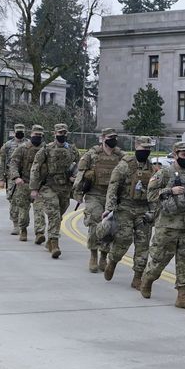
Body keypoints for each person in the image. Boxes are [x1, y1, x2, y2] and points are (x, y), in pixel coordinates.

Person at [140, 141, 185, 310]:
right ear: (175, 154)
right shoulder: (164, 173)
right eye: (183, 154)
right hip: (167, 226)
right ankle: (148, 279)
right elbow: (151, 195)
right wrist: (169, 191)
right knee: (160, 259)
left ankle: (183, 296)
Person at [103, 136, 156, 288]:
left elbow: (153, 191)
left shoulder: (150, 168)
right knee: (123, 239)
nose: (145, 151)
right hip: (125, 208)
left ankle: (138, 276)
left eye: (148, 149)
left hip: (143, 210)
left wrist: (153, 211)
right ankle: (112, 261)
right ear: (136, 146)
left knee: (143, 244)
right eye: (142, 148)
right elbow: (113, 186)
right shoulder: (125, 165)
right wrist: (109, 209)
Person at [75, 127, 124, 273]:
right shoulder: (92, 154)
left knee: (109, 226)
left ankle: (104, 255)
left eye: (115, 137)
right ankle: (93, 255)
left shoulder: (120, 155)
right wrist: (78, 191)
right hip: (94, 194)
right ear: (103, 138)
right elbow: (80, 173)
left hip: (112, 196)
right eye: (110, 137)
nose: (113, 140)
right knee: (94, 223)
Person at [30, 123, 78, 259]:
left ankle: (50, 241)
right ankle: (55, 243)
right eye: (60, 133)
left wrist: (75, 178)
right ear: (54, 133)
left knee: (59, 215)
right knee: (54, 214)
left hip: (65, 187)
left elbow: (79, 166)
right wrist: (34, 188)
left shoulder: (72, 150)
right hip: (49, 186)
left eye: (64, 133)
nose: (62, 135)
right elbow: (35, 167)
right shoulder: (46, 149)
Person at [6, 124, 44, 243]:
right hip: (24, 183)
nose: (37, 137)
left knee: (39, 210)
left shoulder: (46, 149)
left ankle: (39, 233)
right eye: (35, 134)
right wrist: (16, 177)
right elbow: (13, 163)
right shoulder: (22, 148)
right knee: (23, 210)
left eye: (39, 135)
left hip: (39, 185)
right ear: (31, 134)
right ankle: (23, 229)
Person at [0, 124, 26, 236]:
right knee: (13, 200)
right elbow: (2, 163)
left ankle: (22, 223)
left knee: (23, 200)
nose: (19, 133)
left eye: (21, 131)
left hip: (24, 176)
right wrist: (1, 178)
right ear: (14, 132)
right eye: (18, 131)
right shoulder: (8, 145)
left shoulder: (28, 144)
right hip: (11, 177)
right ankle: (16, 224)